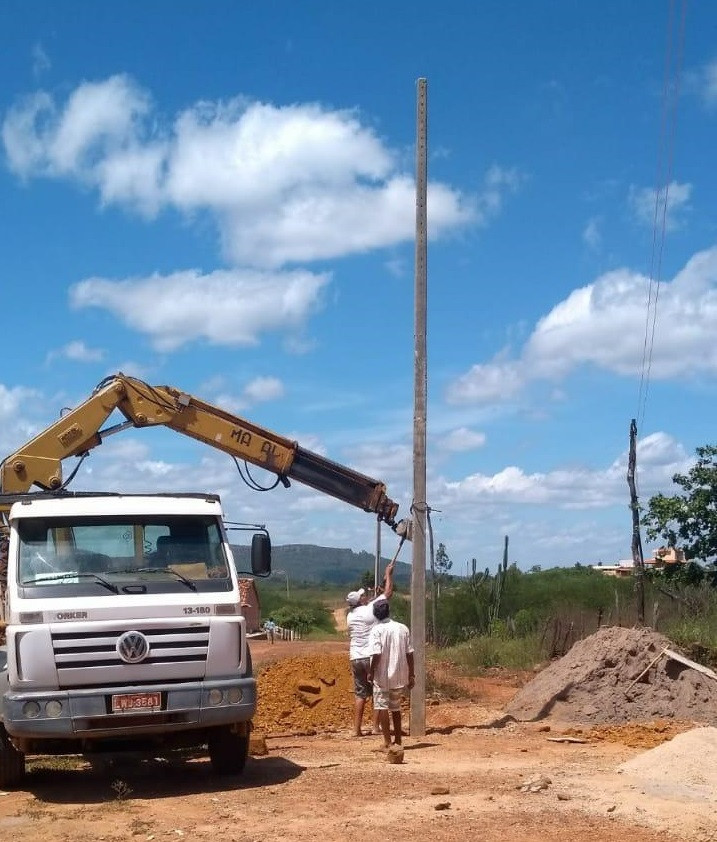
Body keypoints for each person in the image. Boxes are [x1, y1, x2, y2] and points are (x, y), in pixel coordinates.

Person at [346, 560, 395, 737]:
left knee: (360, 694)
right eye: (362, 596)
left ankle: (356, 730)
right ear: (360, 601)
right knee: (377, 691)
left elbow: (372, 604)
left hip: (355, 657)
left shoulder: (351, 616)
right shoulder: (369, 610)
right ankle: (375, 727)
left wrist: (375, 596)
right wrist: (388, 575)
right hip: (369, 657)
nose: (365, 595)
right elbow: (388, 594)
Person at [367, 599, 414, 748]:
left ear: (375, 614)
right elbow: (410, 653)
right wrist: (411, 674)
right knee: (396, 708)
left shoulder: (376, 630)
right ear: (388, 611)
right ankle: (398, 740)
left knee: (381, 707)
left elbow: (376, 654)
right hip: (399, 676)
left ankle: (387, 742)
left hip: (382, 676)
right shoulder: (403, 628)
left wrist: (371, 671)